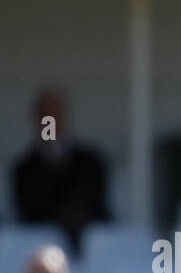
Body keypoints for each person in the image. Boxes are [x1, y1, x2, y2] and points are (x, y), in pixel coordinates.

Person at [10, 88, 110, 253]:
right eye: (45, 115)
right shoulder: (23, 168)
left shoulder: (91, 161)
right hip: (39, 249)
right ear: (36, 119)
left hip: (92, 251)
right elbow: (27, 210)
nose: (51, 121)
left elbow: (96, 202)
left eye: (55, 114)